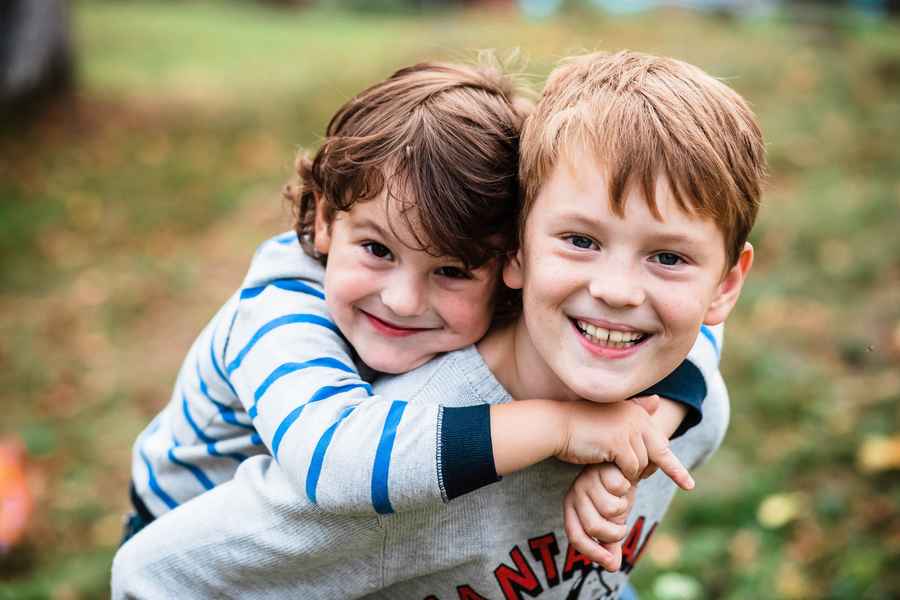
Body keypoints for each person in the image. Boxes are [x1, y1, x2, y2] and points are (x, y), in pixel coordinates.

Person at [112, 49, 764, 599]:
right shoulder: (281, 318)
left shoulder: (574, 319)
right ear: (321, 223)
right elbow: (337, 461)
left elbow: (695, 334)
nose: (401, 300)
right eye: (581, 241)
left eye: (453, 269)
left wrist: (646, 429)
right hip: (214, 519)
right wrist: (568, 426)